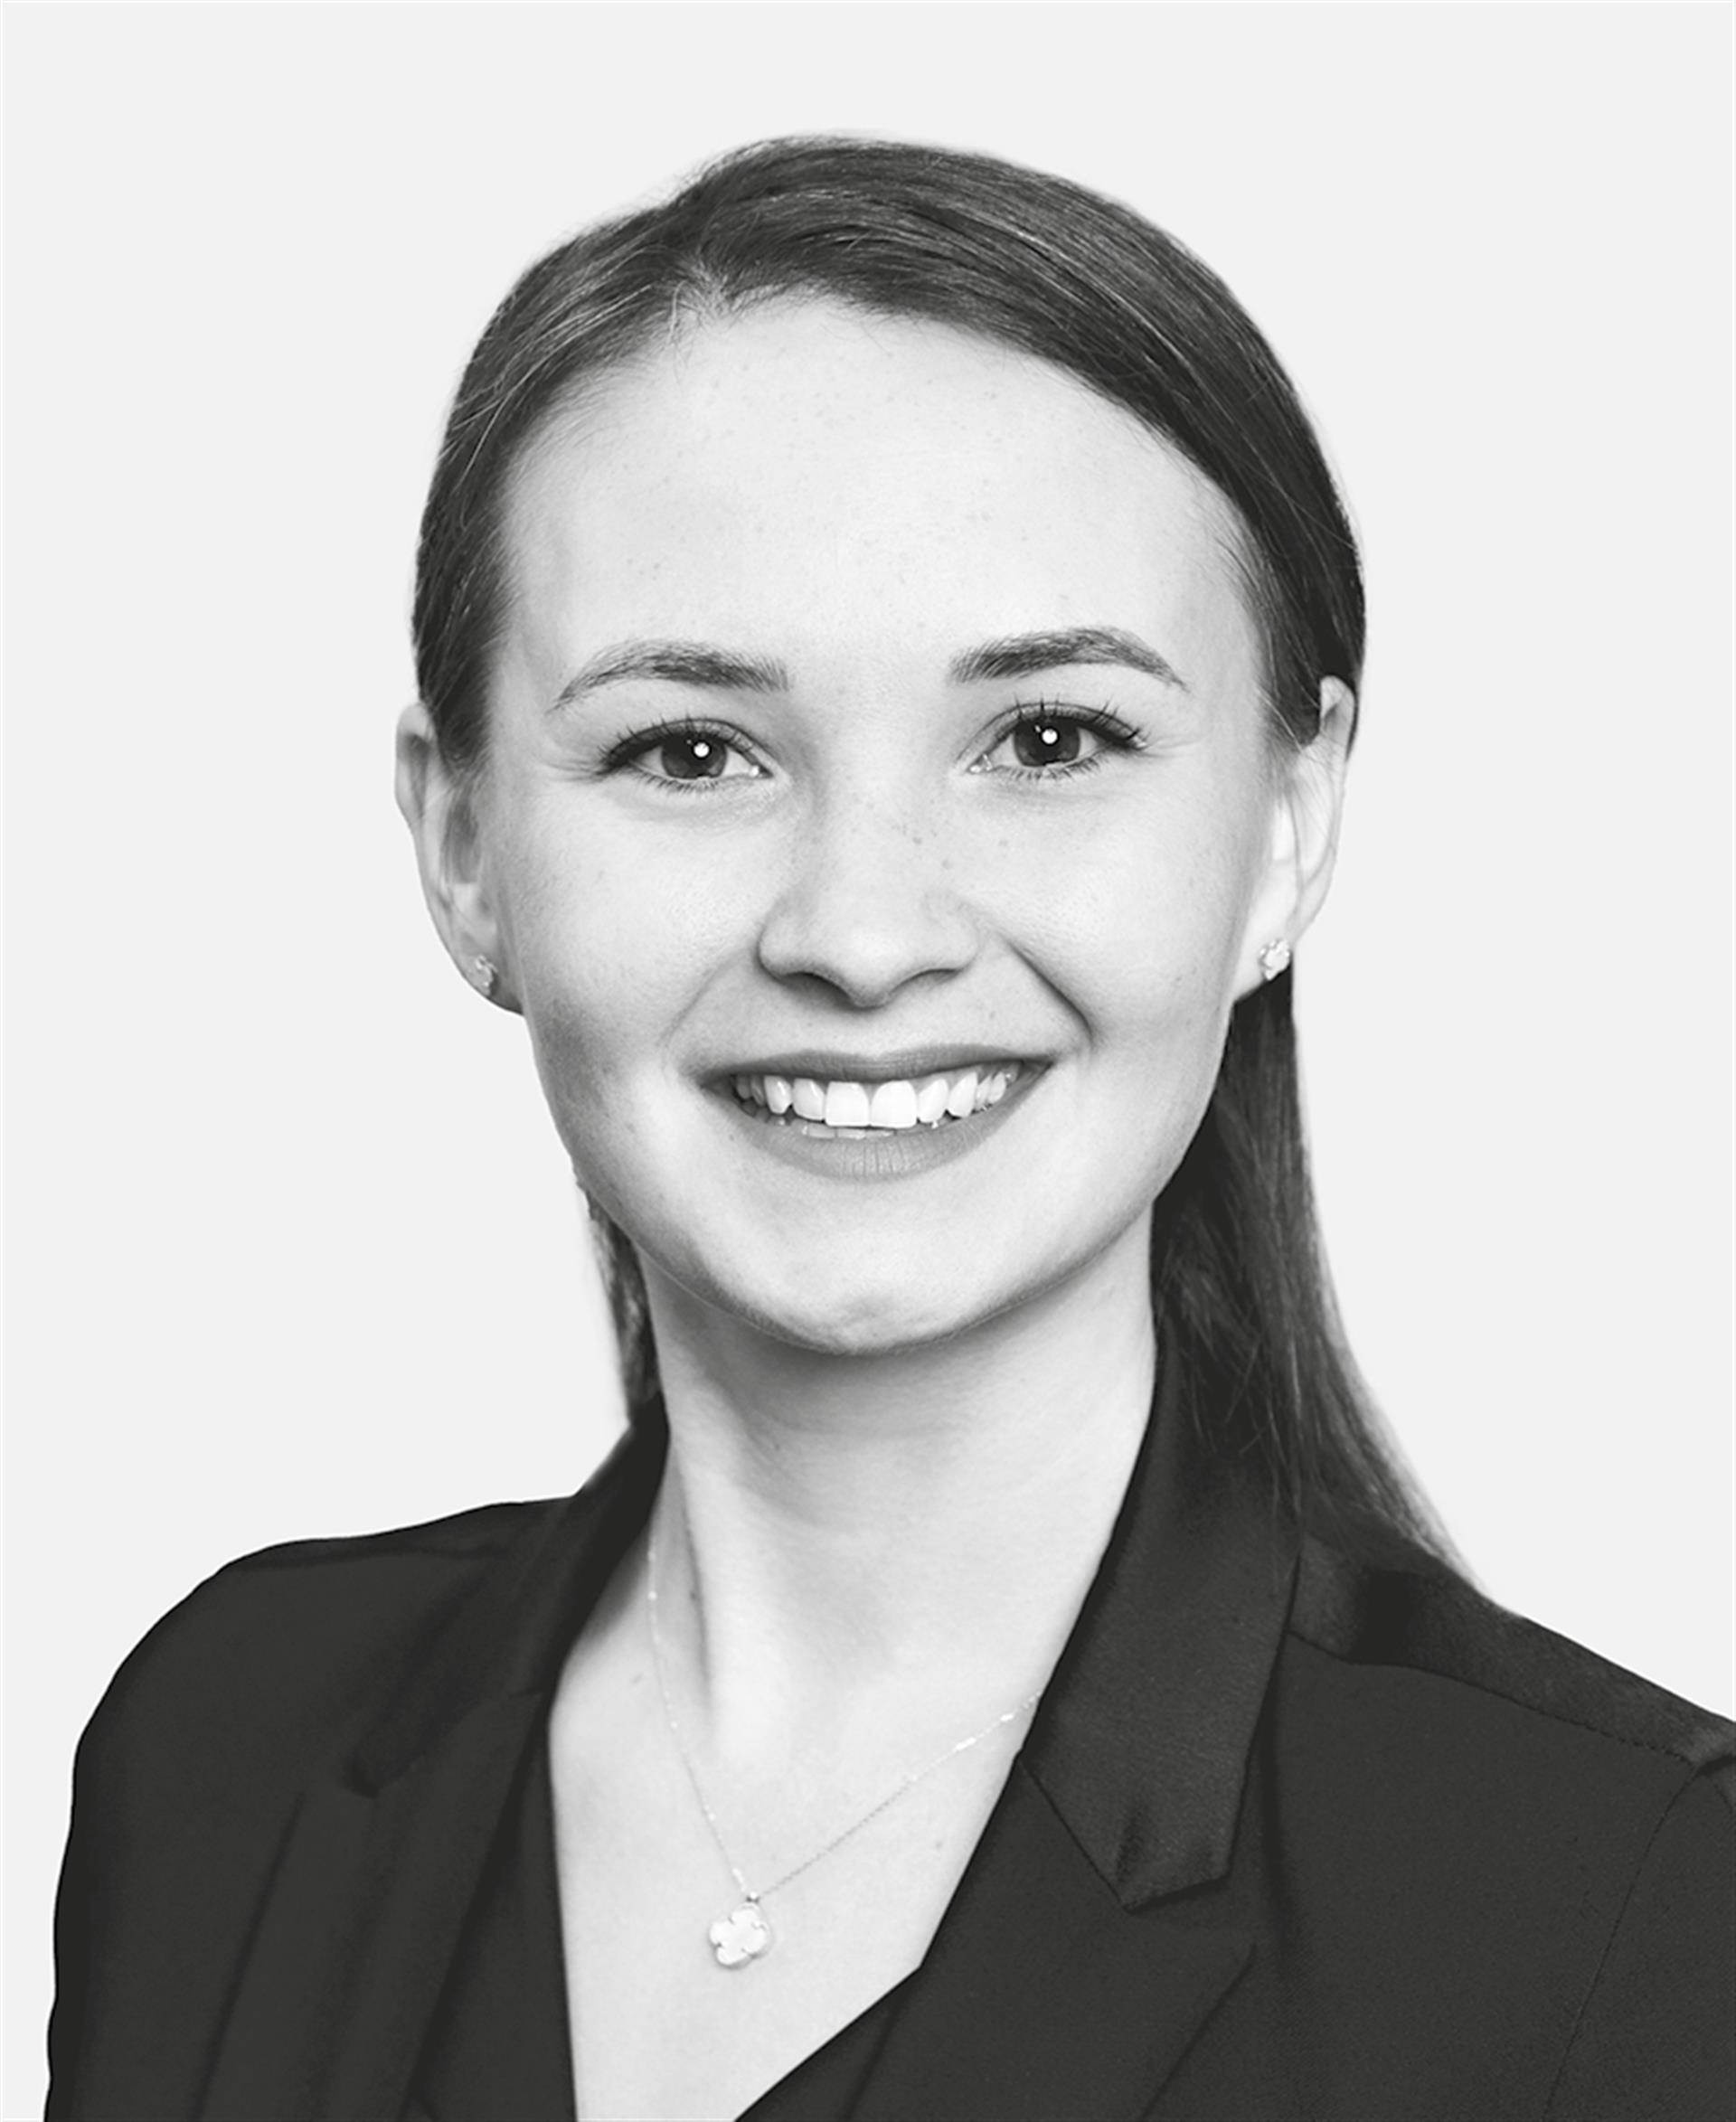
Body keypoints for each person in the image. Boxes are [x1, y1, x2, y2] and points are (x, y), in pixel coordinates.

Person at [47, 136, 1733, 2122]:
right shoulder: (223, 1750)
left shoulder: (1636, 1906)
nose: (861, 934)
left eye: (1050, 739)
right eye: (691, 749)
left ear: (1289, 828)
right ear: (461, 841)